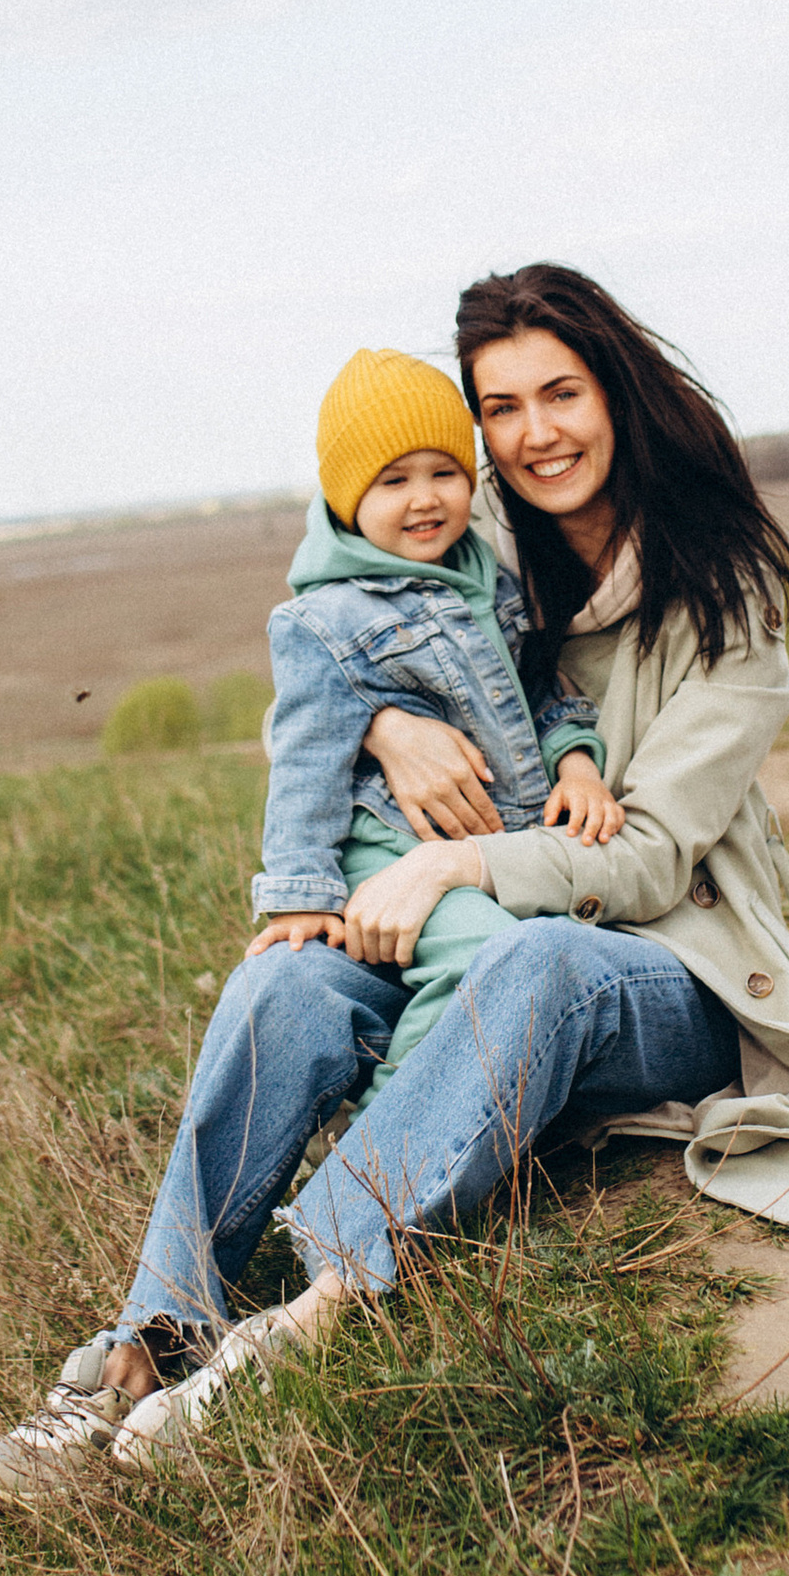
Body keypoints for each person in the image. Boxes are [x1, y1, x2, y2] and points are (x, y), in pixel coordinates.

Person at [0, 263, 789, 1499]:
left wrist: (451, 859)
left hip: (667, 974)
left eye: (562, 393)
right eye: (501, 408)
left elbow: (645, 859)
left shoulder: (727, 603)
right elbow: (326, 645)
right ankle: (141, 1352)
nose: (535, 434)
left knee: (534, 961)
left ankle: (307, 1320)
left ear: (618, 393)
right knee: (289, 986)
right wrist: (385, 727)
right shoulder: (472, 545)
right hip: (477, 934)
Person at [247, 344, 625, 1111]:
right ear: (347, 495)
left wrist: (577, 763)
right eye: (393, 481)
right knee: (480, 962)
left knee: (541, 963)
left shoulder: (487, 577)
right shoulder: (324, 619)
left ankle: (464, 1107)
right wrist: (298, 894)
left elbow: (538, 693)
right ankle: (388, 1139)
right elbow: (305, 763)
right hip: (391, 853)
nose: (425, 499)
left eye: (443, 473)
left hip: (488, 842)